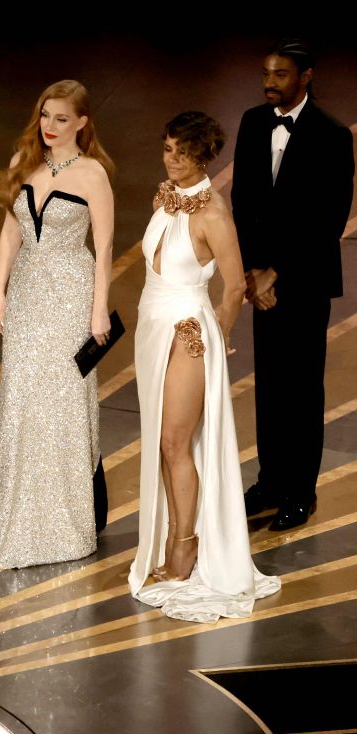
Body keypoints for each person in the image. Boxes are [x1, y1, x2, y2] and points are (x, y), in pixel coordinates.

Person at [128, 112, 281, 623]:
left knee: (176, 441)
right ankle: (175, 536)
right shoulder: (166, 199)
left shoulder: (213, 212)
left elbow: (236, 283)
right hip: (152, 328)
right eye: (166, 147)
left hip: (184, 334)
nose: (169, 158)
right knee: (164, 441)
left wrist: (217, 328)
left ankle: (185, 545)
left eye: (180, 152)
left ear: (202, 156)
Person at [0, 80, 115, 569]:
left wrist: (98, 310)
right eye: (45, 116)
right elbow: (11, 226)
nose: (50, 127)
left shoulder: (93, 174)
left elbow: (105, 247)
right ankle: (17, 512)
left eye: (62, 119)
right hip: (28, 294)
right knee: (21, 398)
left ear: (82, 123)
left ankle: (63, 523)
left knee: (60, 404)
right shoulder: (22, 161)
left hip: (70, 294)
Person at [234, 39, 355, 531]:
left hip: (302, 282)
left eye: (280, 74)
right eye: (266, 73)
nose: (269, 82)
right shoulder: (252, 122)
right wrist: (249, 270)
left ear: (305, 77)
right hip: (259, 279)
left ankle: (299, 492)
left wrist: (274, 272)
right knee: (270, 384)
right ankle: (269, 481)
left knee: (302, 388)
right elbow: (243, 200)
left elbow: (327, 220)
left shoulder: (329, 134)